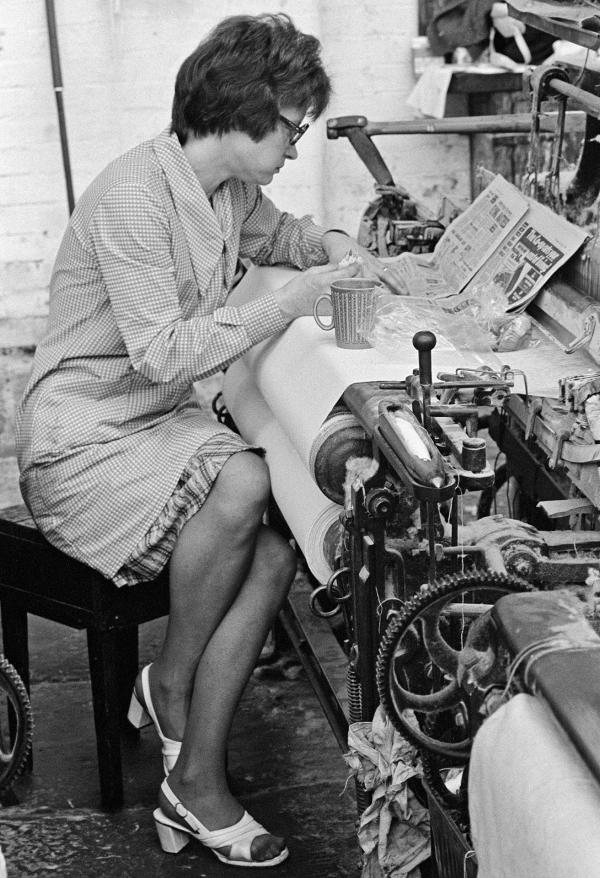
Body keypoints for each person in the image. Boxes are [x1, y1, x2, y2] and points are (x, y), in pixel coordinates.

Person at [15, 12, 400, 869]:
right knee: (248, 482)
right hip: (81, 436)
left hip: (152, 422)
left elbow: (284, 235)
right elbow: (161, 351)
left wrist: (332, 246)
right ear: (247, 109)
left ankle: (192, 775)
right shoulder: (133, 196)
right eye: (296, 126)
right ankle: (175, 687)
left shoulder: (226, 192)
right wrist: (293, 299)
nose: (299, 144)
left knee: (276, 553)